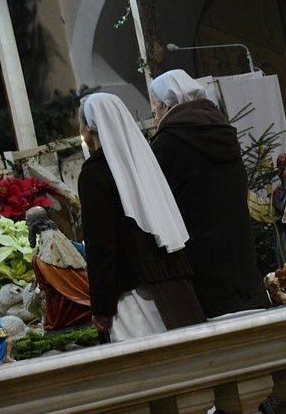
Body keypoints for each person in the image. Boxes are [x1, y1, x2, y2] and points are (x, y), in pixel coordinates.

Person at [77, 92, 207, 342]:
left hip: (131, 295)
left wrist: (101, 306)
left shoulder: (94, 173)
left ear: (90, 126)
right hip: (172, 284)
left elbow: (101, 246)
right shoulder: (143, 160)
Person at [149, 69, 270, 319]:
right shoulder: (225, 132)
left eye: (156, 109)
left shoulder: (167, 142)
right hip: (241, 255)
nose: (156, 117)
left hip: (203, 263)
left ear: (165, 105)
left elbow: (160, 204)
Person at [25, 206, 92, 332]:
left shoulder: (50, 237)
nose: (26, 224)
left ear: (35, 222)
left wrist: (36, 261)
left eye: (28, 221)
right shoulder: (50, 234)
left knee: (62, 311)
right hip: (56, 284)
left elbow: (52, 264)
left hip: (62, 284)